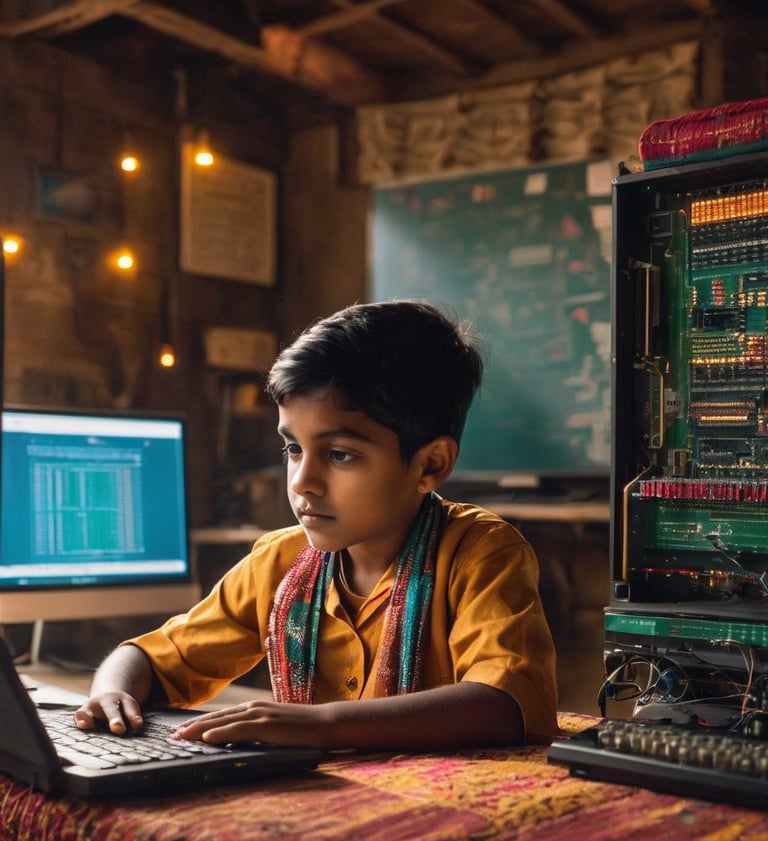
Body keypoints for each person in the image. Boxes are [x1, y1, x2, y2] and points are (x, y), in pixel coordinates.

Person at [75, 300, 558, 751]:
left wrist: (325, 723)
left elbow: (504, 705)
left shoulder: (480, 553)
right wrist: (110, 692)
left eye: (340, 454)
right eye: (293, 449)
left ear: (430, 464)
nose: (304, 482)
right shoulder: (280, 563)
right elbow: (152, 659)